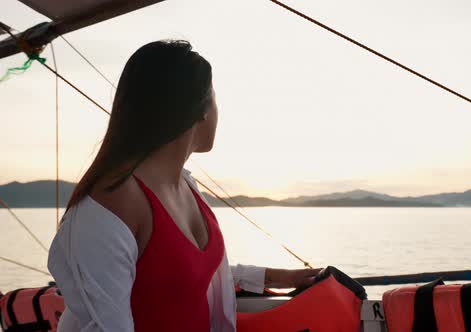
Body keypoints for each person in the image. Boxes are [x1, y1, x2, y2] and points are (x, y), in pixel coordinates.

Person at [47, 40, 321, 332]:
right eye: (215, 98)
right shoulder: (109, 208)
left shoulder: (186, 186)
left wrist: (279, 277)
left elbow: (180, 277)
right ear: (201, 108)